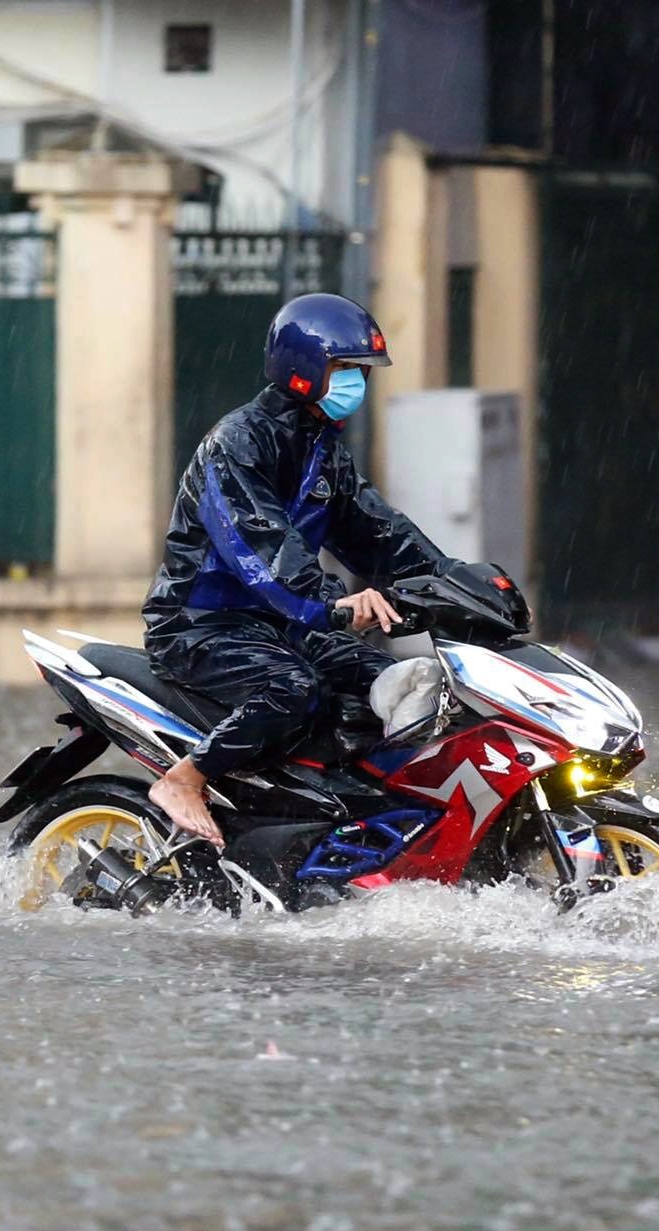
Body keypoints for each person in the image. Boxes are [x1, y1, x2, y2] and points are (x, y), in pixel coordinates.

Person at [143, 292, 462, 846]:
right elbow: (260, 544)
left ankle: (325, 821)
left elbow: (375, 529)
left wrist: (455, 584)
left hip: (280, 623)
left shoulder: (322, 449)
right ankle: (185, 778)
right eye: (346, 369)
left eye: (362, 371)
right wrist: (332, 602)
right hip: (200, 626)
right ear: (304, 368)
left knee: (394, 684)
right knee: (292, 687)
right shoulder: (237, 442)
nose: (357, 383)